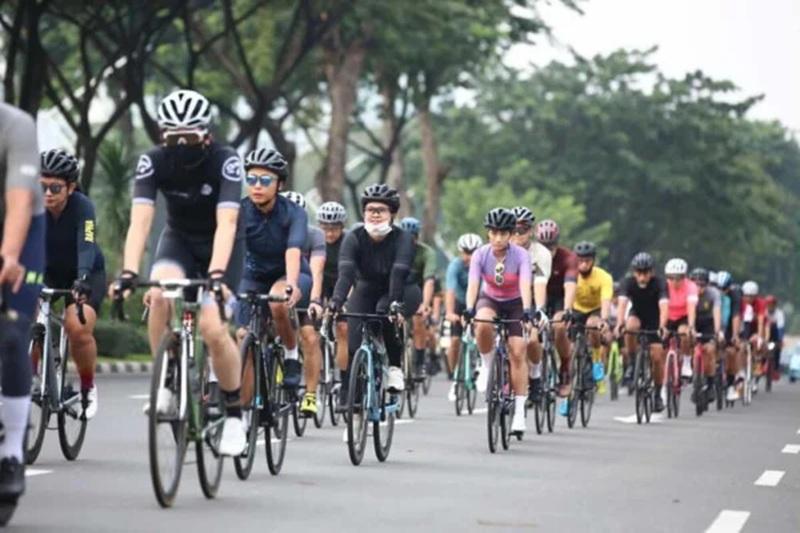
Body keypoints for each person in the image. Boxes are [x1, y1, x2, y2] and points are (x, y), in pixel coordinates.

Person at [113, 90, 246, 456]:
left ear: (207, 134)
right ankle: (167, 382)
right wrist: (128, 271)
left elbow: (227, 222)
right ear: (162, 136)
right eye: (174, 139)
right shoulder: (153, 161)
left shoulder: (225, 160)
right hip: (179, 240)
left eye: (189, 137)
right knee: (157, 295)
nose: (182, 146)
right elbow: (140, 223)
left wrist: (216, 275)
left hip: (221, 245)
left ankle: (235, 415)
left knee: (213, 329)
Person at [233, 149, 311, 412]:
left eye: (265, 180)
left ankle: (291, 354)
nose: (257, 186)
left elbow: (293, 250)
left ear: (280, 185)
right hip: (253, 275)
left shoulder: (294, 213)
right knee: (242, 337)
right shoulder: (240, 210)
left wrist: (292, 284)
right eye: (252, 179)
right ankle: (244, 413)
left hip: (288, 273)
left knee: (278, 301)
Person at [327, 184, 422, 400]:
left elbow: (398, 273)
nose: (375, 215)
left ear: (392, 214)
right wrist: (336, 302)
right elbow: (346, 274)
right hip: (367, 288)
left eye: (381, 210)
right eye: (371, 210)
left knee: (384, 311)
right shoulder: (353, 237)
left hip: (403, 288)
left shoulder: (403, 238)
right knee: (353, 340)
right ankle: (355, 398)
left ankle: (395, 367)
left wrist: (395, 304)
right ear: (364, 213)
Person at [39, 149, 105, 419]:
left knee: (77, 328)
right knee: (23, 316)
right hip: (48, 271)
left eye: (55, 188)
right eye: (42, 187)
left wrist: (83, 279)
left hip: (85, 272)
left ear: (71, 187)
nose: (47, 194)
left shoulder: (83, 207)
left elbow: (87, 244)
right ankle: (31, 377)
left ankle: (88, 387)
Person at [0, 102, 45, 499]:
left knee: (13, 335)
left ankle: (12, 451)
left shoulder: (15, 125)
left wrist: (9, 257)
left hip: (22, 229)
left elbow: (19, 204)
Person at [464, 208, 533, 433]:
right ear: (488, 233)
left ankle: (519, 412)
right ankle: (486, 364)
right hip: (490, 299)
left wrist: (527, 310)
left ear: (511, 234)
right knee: (482, 323)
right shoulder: (480, 254)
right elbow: (473, 284)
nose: (498, 238)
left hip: (515, 303)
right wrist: (469, 307)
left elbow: (525, 284)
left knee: (518, 351)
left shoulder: (521, 255)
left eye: (503, 233)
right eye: (494, 233)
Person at [281, 191, 325, 416]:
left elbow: (316, 271)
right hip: (277, 287)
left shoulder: (314, 235)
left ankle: (310, 395)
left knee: (309, 337)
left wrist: (315, 300)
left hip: (304, 288)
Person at [615, 252, 668, 412]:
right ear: (634, 272)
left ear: (652, 272)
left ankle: (657, 394)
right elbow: (622, 304)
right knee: (630, 326)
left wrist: (662, 326)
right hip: (637, 315)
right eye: (639, 272)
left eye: (646, 272)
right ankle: (632, 363)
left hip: (655, 320)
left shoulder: (660, 283)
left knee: (657, 357)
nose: (642, 277)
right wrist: (619, 323)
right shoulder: (628, 282)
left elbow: (664, 307)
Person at [510, 206, 551, 405]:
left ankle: (535, 376)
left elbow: (540, 283)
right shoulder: (501, 249)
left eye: (523, 229)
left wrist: (539, 310)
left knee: (533, 340)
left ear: (531, 231)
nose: (519, 234)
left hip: (532, 299)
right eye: (515, 229)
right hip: (509, 298)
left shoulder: (541, 253)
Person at [536, 219, 577, 395]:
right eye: (543, 246)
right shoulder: (532, 257)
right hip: (539, 295)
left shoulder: (568, 258)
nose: (547, 250)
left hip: (560, 297)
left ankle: (565, 368)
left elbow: (570, 285)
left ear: (557, 243)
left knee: (559, 326)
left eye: (551, 246)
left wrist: (567, 309)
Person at [568, 241, 613, 395]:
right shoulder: (570, 275)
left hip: (595, 310)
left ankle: (596, 360)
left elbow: (606, 300)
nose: (583, 264)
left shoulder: (603, 277)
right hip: (576, 310)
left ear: (593, 261)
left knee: (593, 324)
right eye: (580, 260)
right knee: (571, 349)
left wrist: (604, 320)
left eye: (587, 260)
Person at [317, 201, 350, 399]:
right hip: (322, 283)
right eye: (325, 229)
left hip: (345, 284)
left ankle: (345, 383)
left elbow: (352, 275)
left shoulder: (348, 242)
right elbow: (314, 273)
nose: (329, 234)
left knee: (343, 329)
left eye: (334, 229)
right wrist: (316, 301)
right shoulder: (315, 241)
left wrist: (345, 301)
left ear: (342, 227)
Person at [444, 233, 483, 401]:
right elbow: (450, 291)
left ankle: (481, 364)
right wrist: (450, 312)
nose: (470, 257)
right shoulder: (455, 265)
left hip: (480, 301)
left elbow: (487, 289)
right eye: (467, 253)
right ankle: (455, 377)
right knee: (454, 341)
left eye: (474, 252)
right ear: (461, 252)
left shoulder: (484, 265)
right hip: (460, 303)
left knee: (483, 330)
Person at [400, 216, 437, 378]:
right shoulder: (394, 251)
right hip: (399, 290)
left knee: (418, 320)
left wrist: (425, 304)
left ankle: (419, 363)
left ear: (417, 237)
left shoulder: (427, 253)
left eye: (413, 237)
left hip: (420, 292)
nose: (409, 242)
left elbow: (429, 281)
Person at [689, 267, 722, 405]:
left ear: (707, 284)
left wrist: (717, 331)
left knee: (709, 351)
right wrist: (691, 328)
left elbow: (716, 312)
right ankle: (692, 376)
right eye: (695, 284)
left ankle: (710, 383)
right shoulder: (688, 293)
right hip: (693, 322)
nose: (699, 288)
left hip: (708, 323)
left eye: (702, 285)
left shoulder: (713, 294)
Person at [664, 258, 697, 379]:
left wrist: (691, 326)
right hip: (667, 315)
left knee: (684, 333)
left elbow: (691, 308)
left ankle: (686, 361)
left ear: (684, 277)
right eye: (671, 278)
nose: (674, 281)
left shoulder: (691, 286)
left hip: (683, 316)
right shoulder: (663, 286)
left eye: (678, 278)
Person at [740, 280, 767, 394]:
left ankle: (757, 365)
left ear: (756, 296)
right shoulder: (740, 302)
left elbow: (761, 321)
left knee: (759, 344)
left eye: (751, 296)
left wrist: (759, 337)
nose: (748, 299)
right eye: (746, 296)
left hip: (756, 327)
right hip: (743, 326)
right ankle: (741, 370)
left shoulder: (761, 303)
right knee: (741, 346)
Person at [766, 295, 784, 382]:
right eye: (768, 304)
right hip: (765, 335)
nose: (770, 306)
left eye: (772, 304)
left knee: (778, 350)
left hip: (775, 337)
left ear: (775, 305)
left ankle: (776, 368)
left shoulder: (779, 314)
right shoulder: (764, 312)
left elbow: (780, 328)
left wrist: (780, 340)